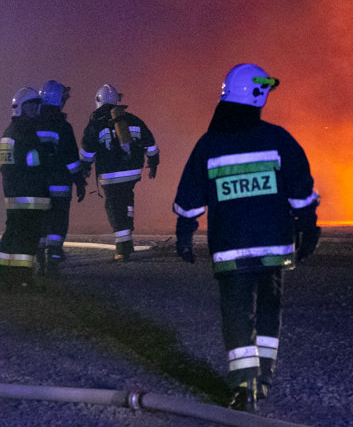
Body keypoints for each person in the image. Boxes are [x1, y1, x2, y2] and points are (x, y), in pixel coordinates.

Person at [172, 64, 320, 412]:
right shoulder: (278, 138)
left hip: (231, 250)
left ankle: (243, 386)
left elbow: (190, 197)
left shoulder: (209, 144)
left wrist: (184, 232)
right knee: (269, 308)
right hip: (273, 247)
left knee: (238, 314)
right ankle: (263, 378)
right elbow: (301, 189)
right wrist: (308, 225)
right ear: (256, 94)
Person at [79, 84, 159, 261]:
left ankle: (122, 248)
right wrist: (153, 162)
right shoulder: (133, 119)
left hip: (111, 175)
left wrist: (82, 171)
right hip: (132, 173)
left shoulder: (96, 124)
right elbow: (150, 143)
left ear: (98, 101)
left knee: (115, 208)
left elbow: (87, 152)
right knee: (127, 200)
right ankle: (128, 233)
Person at [0, 88, 51, 290]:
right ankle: (22, 279)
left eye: (36, 105)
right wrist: (44, 155)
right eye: (30, 105)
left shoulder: (10, 132)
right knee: (27, 239)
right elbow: (32, 161)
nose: (34, 109)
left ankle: (6, 276)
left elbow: (6, 166)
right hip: (29, 194)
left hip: (15, 195)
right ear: (20, 107)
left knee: (12, 235)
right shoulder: (25, 132)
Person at [36, 80, 87, 275]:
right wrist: (80, 182)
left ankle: (40, 260)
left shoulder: (32, 123)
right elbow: (72, 159)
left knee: (40, 222)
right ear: (58, 99)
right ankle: (54, 261)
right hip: (60, 185)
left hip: (38, 186)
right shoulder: (63, 126)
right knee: (57, 222)